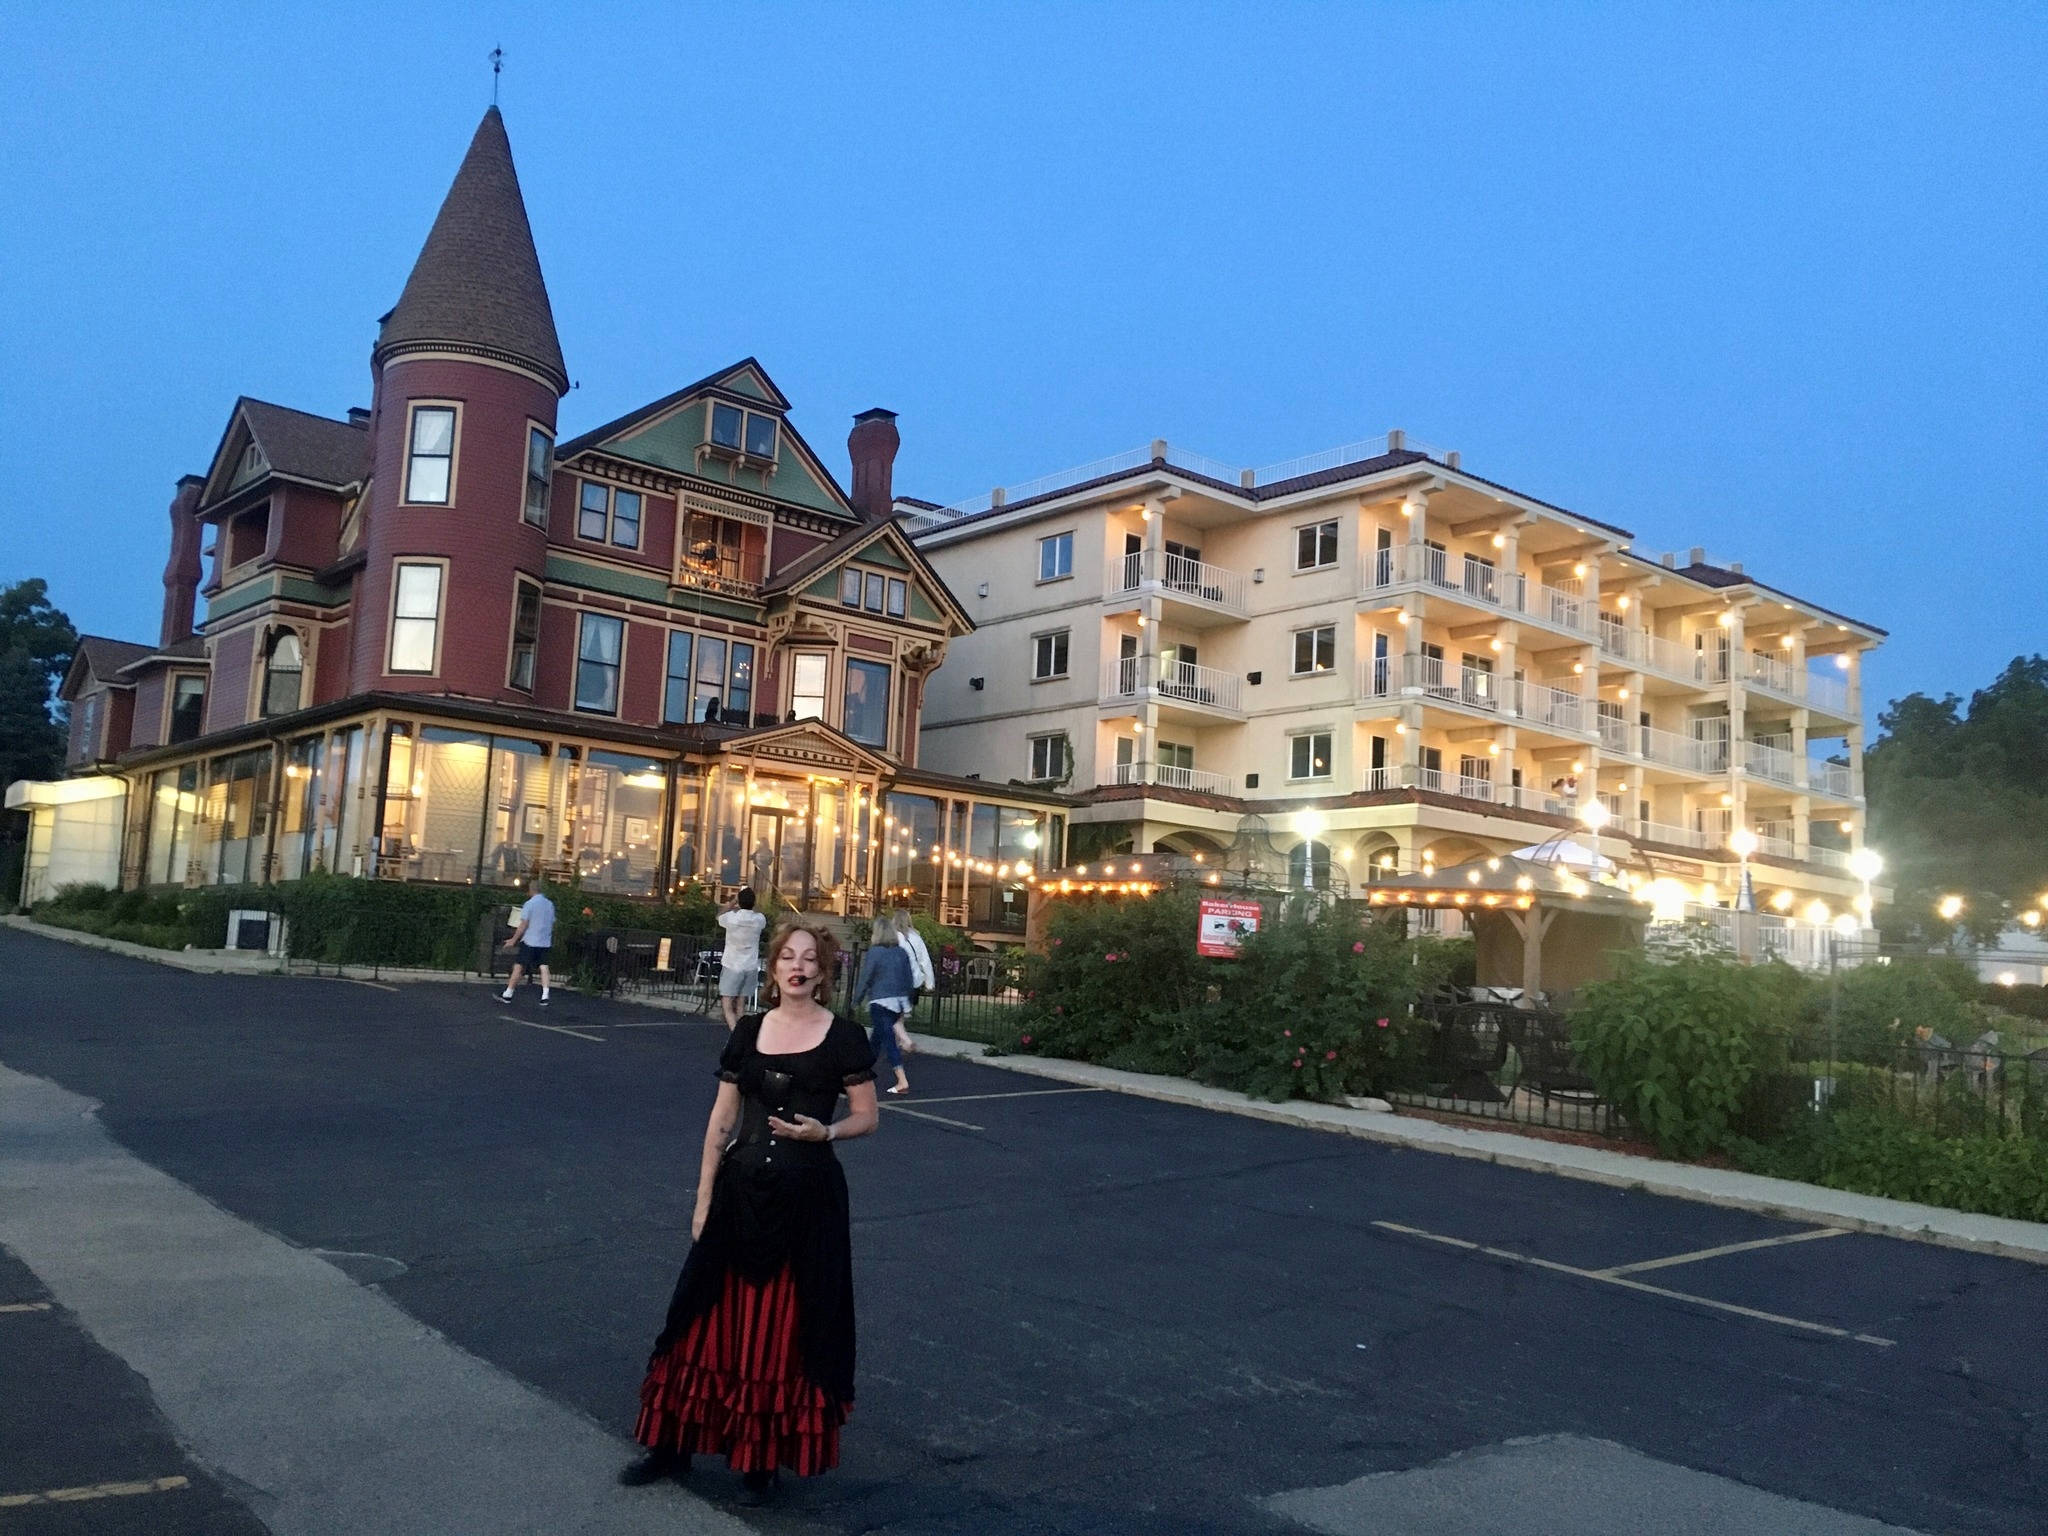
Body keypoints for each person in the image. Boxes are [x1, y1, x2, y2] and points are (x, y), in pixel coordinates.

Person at [624, 919, 878, 1504]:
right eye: (787, 956)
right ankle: (671, 1445)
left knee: (782, 1327)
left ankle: (760, 1462)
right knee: (700, 1316)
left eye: (808, 958)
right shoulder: (749, 1031)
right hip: (739, 1191)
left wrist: (826, 1132)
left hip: (806, 1200)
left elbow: (868, 1116)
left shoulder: (844, 1036)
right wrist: (703, 1198)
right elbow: (722, 1119)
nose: (797, 967)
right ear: (773, 967)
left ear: (823, 971)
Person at [853, 919, 914, 1098]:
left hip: (880, 1000)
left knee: (887, 1040)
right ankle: (863, 1072)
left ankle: (902, 1080)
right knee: (877, 1039)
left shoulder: (875, 952)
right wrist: (907, 1001)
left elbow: (866, 977)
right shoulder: (901, 952)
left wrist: (856, 999)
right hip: (899, 1000)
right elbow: (908, 978)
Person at [496, 878, 555, 1007]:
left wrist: (513, 939)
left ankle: (508, 993)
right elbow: (552, 922)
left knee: (519, 966)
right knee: (544, 967)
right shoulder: (549, 904)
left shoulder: (529, 904)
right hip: (545, 941)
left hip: (530, 940)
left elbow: (524, 924)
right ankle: (545, 995)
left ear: (531, 890)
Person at [716, 888, 768, 1030]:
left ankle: (735, 1033)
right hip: (750, 965)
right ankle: (742, 1032)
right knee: (741, 1004)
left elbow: (719, 916)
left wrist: (732, 903)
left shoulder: (731, 918)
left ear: (739, 901)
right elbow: (759, 913)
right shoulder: (759, 920)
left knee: (727, 1003)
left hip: (732, 964)